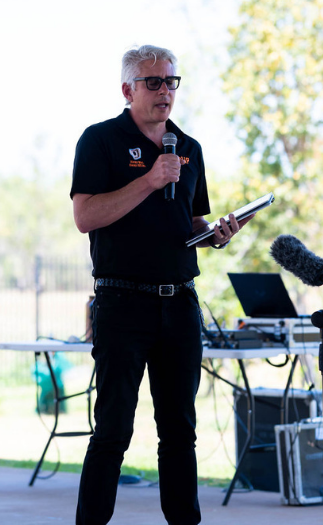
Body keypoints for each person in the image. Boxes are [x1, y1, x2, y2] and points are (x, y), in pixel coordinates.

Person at [70, 45, 254, 525]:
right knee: (112, 429)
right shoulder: (100, 140)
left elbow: (189, 221)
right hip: (121, 303)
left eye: (172, 82)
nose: (165, 92)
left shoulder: (188, 148)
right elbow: (86, 216)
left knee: (179, 432)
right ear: (128, 89)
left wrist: (216, 235)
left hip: (179, 306)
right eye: (153, 82)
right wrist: (150, 180)